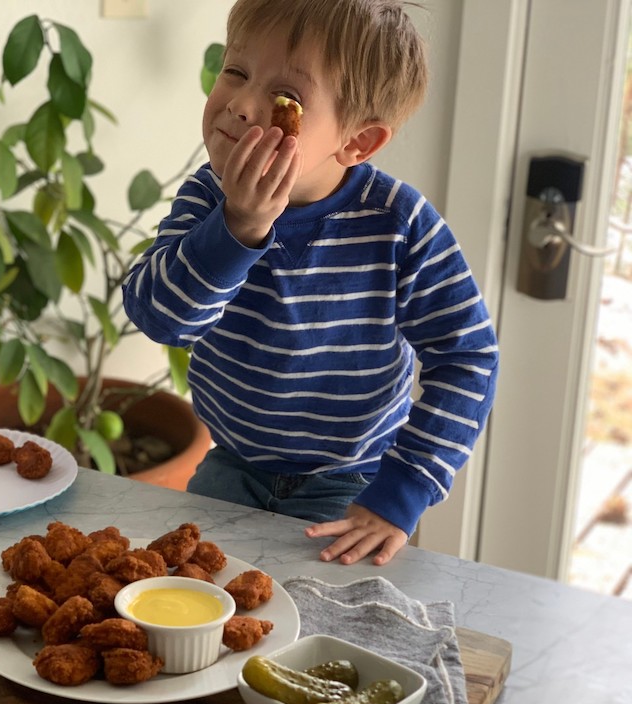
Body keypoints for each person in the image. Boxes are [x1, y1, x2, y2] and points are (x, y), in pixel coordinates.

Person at [122, 0, 499, 566]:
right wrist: (238, 229)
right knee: (197, 612)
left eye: (286, 100)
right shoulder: (208, 198)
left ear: (357, 143)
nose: (242, 104)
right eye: (235, 72)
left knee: (323, 629)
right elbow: (164, 319)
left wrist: (402, 494)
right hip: (232, 466)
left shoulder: (399, 224)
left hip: (351, 488)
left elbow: (468, 357)